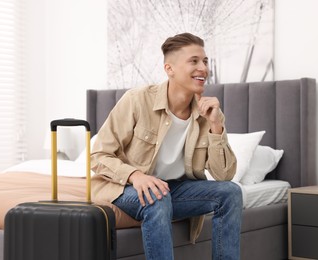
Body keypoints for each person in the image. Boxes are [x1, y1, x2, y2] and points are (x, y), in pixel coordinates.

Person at [91, 32, 242, 260]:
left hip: (174, 189)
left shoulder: (209, 113)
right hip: (123, 188)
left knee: (231, 193)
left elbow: (224, 175)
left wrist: (216, 126)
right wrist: (136, 176)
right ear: (169, 69)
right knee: (156, 196)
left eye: (205, 61)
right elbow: (99, 155)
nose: (203, 68)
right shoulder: (137, 100)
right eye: (194, 61)